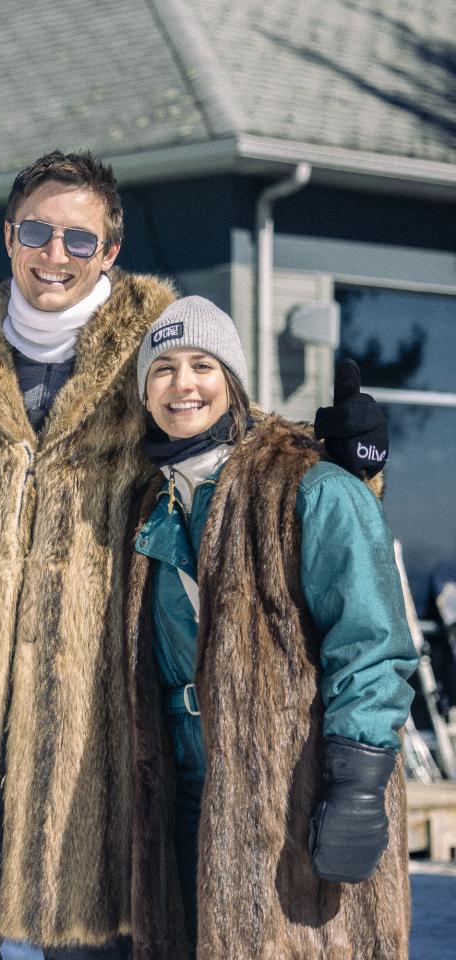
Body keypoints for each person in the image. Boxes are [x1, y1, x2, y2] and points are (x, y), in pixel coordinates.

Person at [0, 151, 388, 958]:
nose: (56, 255)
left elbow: (246, 468)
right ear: (9, 235)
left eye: (79, 240)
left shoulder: (153, 352)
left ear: (109, 252)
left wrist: (355, 473)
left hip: (99, 728)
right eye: (38, 232)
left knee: (92, 940)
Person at [124, 297, 415, 958]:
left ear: (233, 379)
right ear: (144, 392)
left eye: (203, 364)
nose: (184, 384)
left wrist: (359, 781)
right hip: (187, 796)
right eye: (163, 369)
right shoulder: (150, 503)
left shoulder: (308, 487)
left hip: (293, 789)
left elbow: (371, 639)